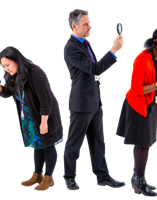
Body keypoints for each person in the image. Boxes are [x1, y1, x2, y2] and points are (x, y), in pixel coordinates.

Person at [63, 9, 126, 191]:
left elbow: (92, 75)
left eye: (89, 23)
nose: (90, 26)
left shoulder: (85, 43)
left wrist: (98, 98)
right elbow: (95, 69)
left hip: (94, 103)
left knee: (98, 142)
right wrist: (113, 51)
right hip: (81, 104)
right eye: (86, 24)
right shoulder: (71, 48)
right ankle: (69, 177)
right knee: (74, 143)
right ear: (74, 26)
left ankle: (103, 177)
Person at [0, 46, 63, 191]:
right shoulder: (14, 74)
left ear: (16, 60)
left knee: (48, 145)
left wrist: (44, 122)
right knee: (37, 146)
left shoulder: (36, 73)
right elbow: (10, 92)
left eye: (7, 65)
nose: (6, 69)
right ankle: (37, 175)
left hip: (44, 115)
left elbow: (45, 101)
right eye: (3, 66)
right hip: (30, 118)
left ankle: (49, 178)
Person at [115, 26, 157, 197]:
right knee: (143, 144)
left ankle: (137, 178)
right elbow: (136, 90)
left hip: (150, 105)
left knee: (144, 143)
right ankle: (139, 181)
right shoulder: (141, 59)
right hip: (136, 105)